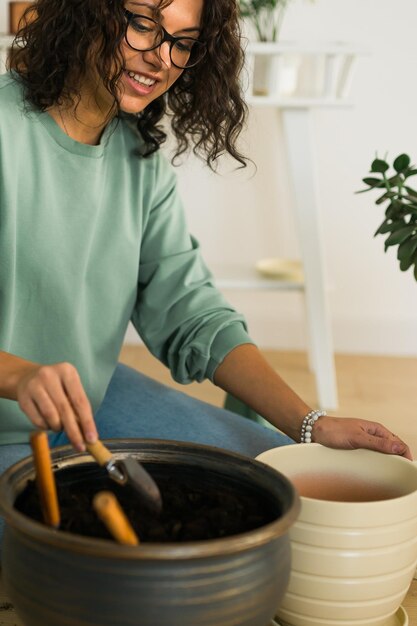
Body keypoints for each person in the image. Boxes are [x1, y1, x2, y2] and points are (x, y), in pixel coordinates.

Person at [0, 0, 411, 495]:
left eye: (182, 42)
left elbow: (191, 313)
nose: (161, 57)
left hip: (87, 407)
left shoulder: (139, 161)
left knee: (276, 484)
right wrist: (20, 376)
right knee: (103, 561)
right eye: (142, 23)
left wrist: (310, 423)